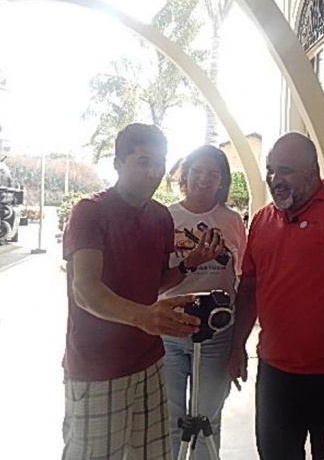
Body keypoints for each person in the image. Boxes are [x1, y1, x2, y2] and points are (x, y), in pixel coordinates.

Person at [61, 123, 226, 460]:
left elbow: (156, 282)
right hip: (99, 367)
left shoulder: (160, 217)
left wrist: (190, 263)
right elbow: (85, 289)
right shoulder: (90, 211)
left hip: (150, 362)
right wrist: (144, 316)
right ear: (118, 164)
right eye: (143, 162)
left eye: (160, 162)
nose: (153, 172)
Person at [227, 132, 324, 460]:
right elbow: (250, 288)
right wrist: (237, 344)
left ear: (312, 172)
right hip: (275, 375)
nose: (275, 179)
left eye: (285, 170)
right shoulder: (262, 220)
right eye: (270, 170)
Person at [159, 145, 247, 459]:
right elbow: (154, 279)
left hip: (216, 334)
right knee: (170, 419)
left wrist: (239, 343)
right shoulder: (165, 216)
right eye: (197, 171)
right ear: (185, 175)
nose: (204, 179)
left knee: (209, 419)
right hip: (170, 329)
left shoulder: (232, 220)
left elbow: (242, 276)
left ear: (222, 180)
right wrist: (192, 261)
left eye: (213, 174)